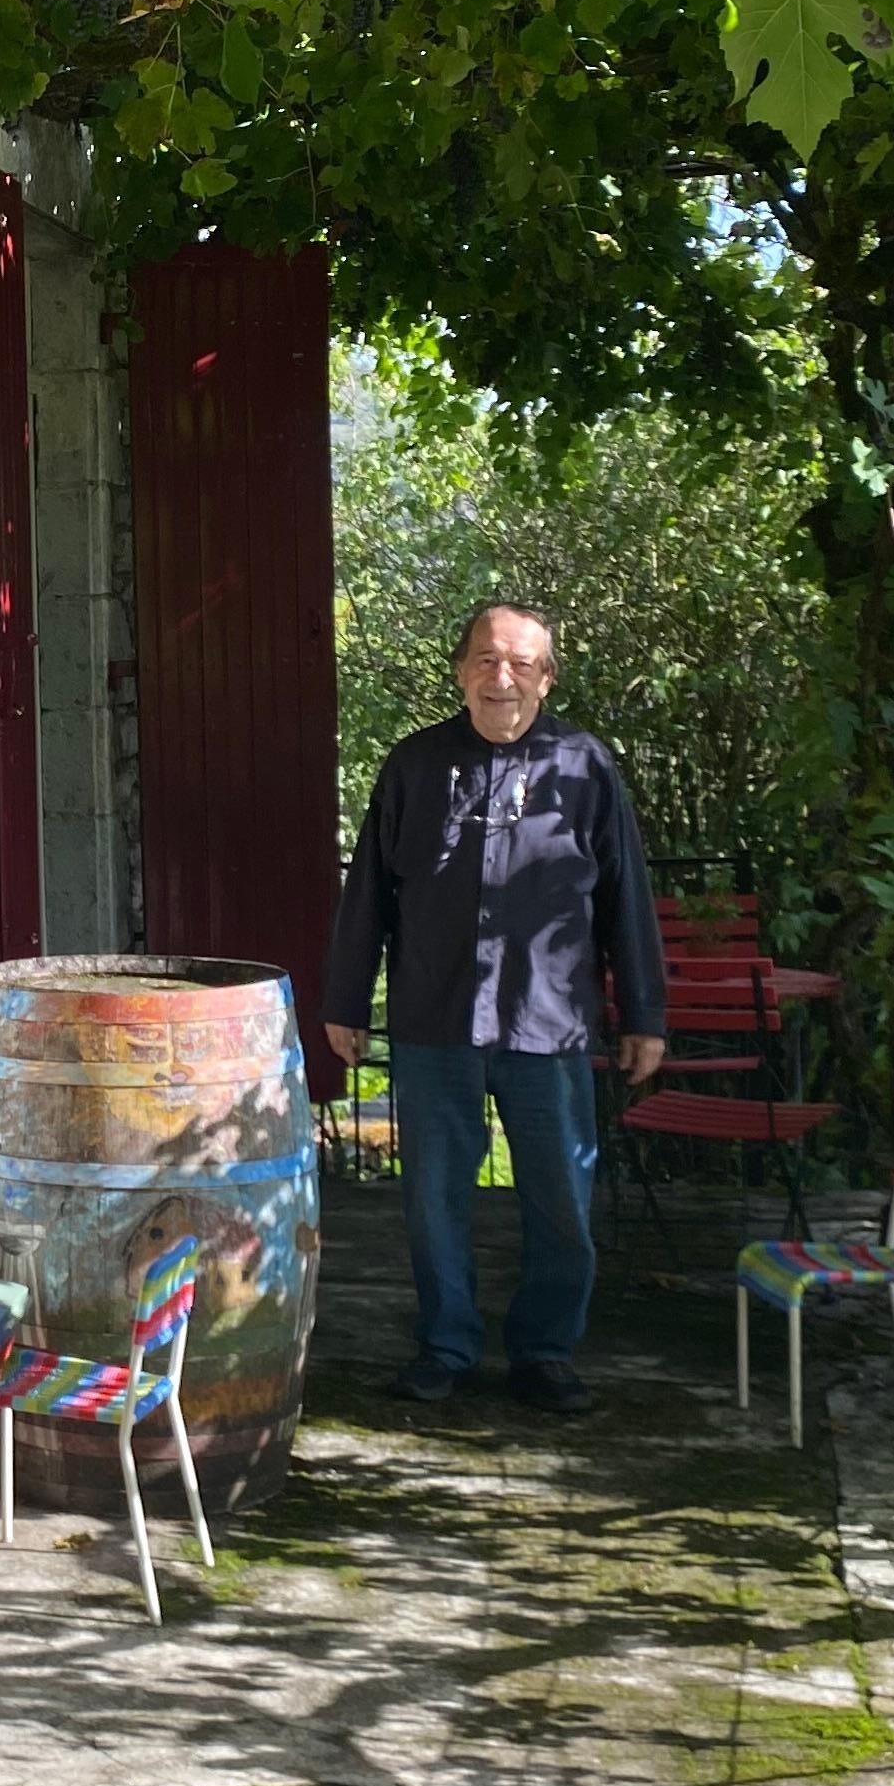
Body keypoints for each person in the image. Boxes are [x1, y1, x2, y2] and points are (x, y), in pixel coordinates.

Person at [317, 601, 667, 1416]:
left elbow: (627, 900)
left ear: (546, 678)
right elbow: (368, 893)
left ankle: (545, 1352)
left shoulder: (585, 769)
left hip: (549, 1026)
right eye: (484, 660)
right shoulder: (413, 765)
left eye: (519, 664)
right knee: (434, 1198)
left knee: (560, 1201)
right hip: (433, 1018)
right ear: (459, 671)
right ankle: (446, 1346)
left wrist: (643, 1014)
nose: (499, 677)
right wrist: (346, 1000)